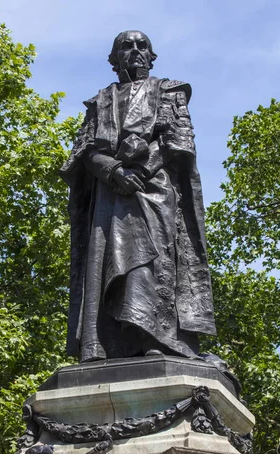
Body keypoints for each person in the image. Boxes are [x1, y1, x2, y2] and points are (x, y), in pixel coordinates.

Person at [59, 30, 216, 363]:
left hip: (154, 192)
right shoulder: (99, 101)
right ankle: (108, 343)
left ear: (151, 55)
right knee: (106, 265)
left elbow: (178, 140)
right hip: (110, 195)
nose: (134, 51)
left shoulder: (168, 92)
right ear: (114, 60)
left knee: (156, 262)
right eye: (125, 47)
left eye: (141, 46)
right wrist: (115, 173)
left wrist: (140, 173)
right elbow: (84, 152)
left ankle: (157, 337)